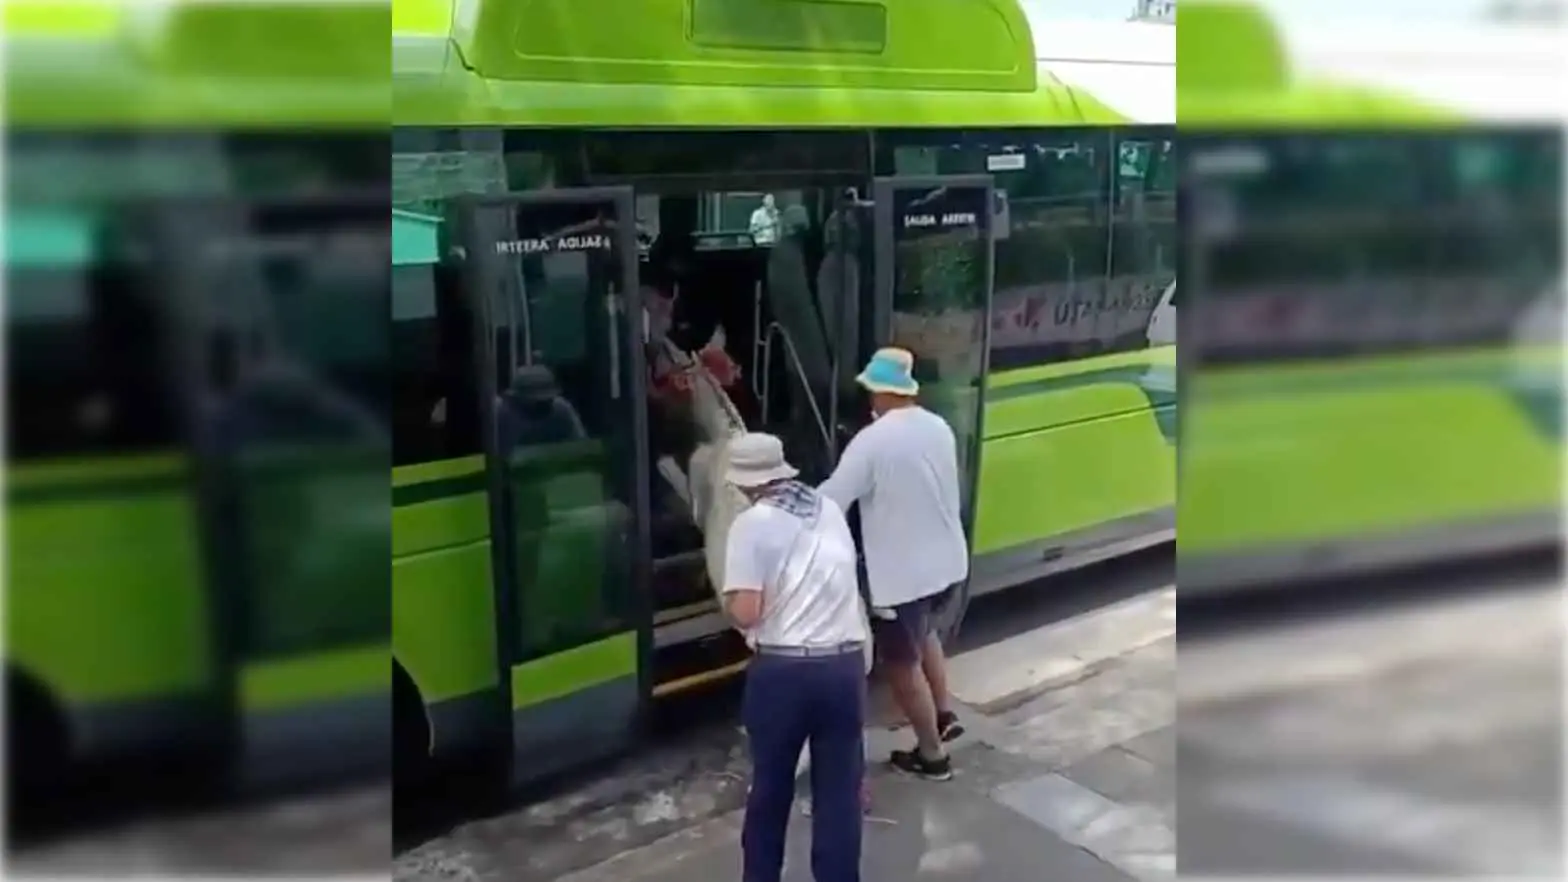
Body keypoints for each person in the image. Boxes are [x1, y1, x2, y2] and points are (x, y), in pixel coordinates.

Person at [722, 432, 867, 882]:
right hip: (844, 667)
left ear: (744, 484)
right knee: (839, 796)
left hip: (785, 673)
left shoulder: (751, 525)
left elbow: (747, 612)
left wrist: (726, 602)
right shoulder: (825, 508)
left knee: (770, 790)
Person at [819, 348, 968, 781]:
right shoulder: (937, 426)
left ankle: (932, 756)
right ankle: (943, 713)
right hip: (946, 564)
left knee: (901, 665)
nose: (869, 401)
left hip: (901, 576)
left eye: (870, 392)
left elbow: (832, 499)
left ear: (882, 393)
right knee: (926, 635)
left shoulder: (873, 440)